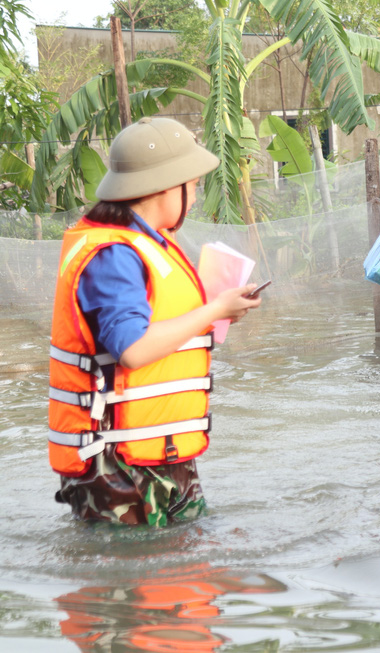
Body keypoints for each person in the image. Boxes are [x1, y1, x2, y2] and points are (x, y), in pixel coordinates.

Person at [48, 117, 262, 526]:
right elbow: (133, 348)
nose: (196, 197)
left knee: (192, 573)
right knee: (136, 581)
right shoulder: (114, 254)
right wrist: (215, 310)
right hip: (117, 466)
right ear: (166, 186)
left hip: (157, 453)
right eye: (194, 185)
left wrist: (218, 307)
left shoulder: (146, 243)